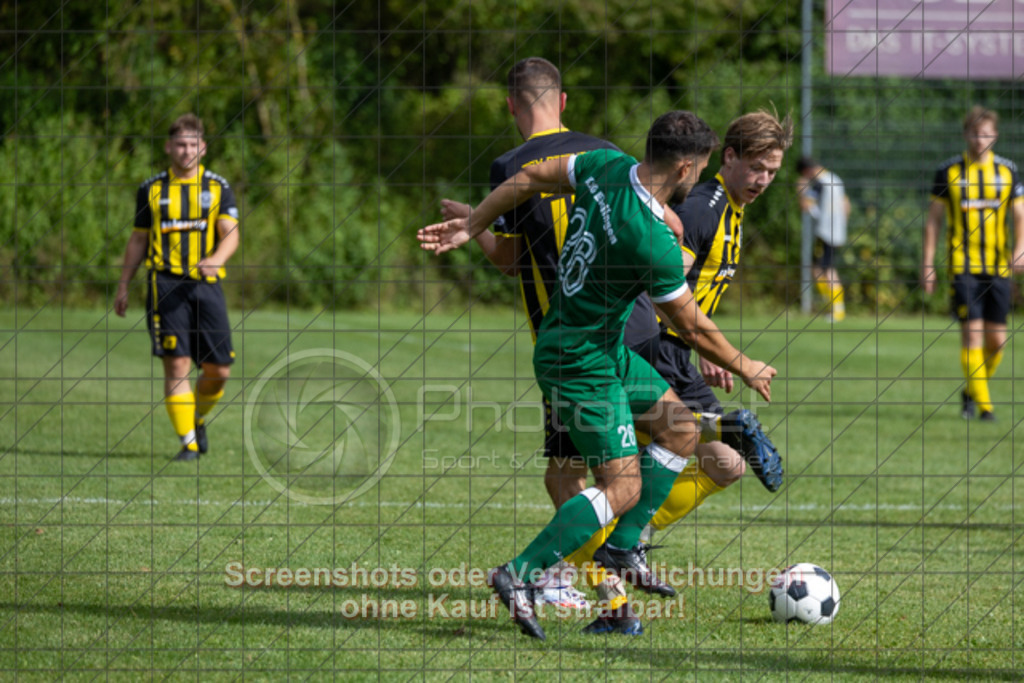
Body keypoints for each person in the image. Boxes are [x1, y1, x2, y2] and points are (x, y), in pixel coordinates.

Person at [419, 110, 777, 640]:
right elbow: (693, 329)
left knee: (680, 428)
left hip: (601, 348)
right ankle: (518, 575)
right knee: (622, 484)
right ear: (684, 168)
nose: (698, 179)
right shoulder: (651, 239)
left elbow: (532, 177)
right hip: (579, 364)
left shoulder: (607, 166)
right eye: (698, 170)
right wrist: (747, 365)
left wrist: (473, 224)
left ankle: (622, 547)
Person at [571, 109, 793, 616]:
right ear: (728, 158)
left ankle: (621, 544)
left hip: (673, 347)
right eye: (756, 166)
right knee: (720, 456)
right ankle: (605, 550)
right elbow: (659, 284)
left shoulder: (730, 209)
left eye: (773, 171)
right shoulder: (701, 208)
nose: (763, 180)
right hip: (655, 346)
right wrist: (712, 352)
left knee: (721, 462)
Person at [114, 113, 240, 461]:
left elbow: (230, 233)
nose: (186, 151)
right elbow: (138, 240)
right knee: (178, 364)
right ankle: (189, 443)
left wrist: (217, 258)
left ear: (203, 148)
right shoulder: (152, 189)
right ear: (169, 147)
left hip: (207, 283)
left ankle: (195, 417)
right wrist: (123, 284)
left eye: (192, 145)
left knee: (219, 371)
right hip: (164, 284)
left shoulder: (217, 187)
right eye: (180, 145)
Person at [923, 106, 1024, 421]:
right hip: (962, 266)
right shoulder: (948, 171)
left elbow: (1020, 215)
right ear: (965, 135)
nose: (980, 140)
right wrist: (927, 264)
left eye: (986, 134)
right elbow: (933, 223)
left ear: (995, 136)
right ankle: (985, 407)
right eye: (974, 134)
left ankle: (972, 388)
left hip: (998, 268)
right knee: (972, 336)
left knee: (997, 342)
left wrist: (1021, 248)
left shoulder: (1008, 171)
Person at [797, 156, 850, 322]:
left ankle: (836, 308)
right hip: (838, 231)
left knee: (821, 270)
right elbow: (847, 205)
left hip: (825, 231)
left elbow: (806, 206)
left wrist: (800, 191)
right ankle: (836, 308)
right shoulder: (836, 179)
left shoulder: (819, 183)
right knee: (827, 267)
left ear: (806, 171)